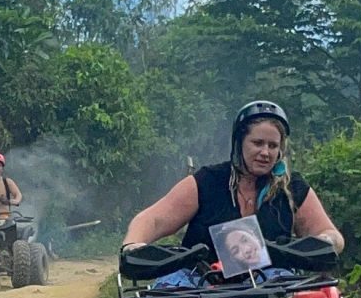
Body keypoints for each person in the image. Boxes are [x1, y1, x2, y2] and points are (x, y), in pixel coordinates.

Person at [123, 102, 343, 258]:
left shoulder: (292, 188)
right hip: (201, 287)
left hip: (274, 289)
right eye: (257, 143)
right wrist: (133, 246)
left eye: (273, 146)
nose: (265, 152)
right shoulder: (207, 182)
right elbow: (153, 219)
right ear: (239, 143)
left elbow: (331, 235)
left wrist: (328, 241)